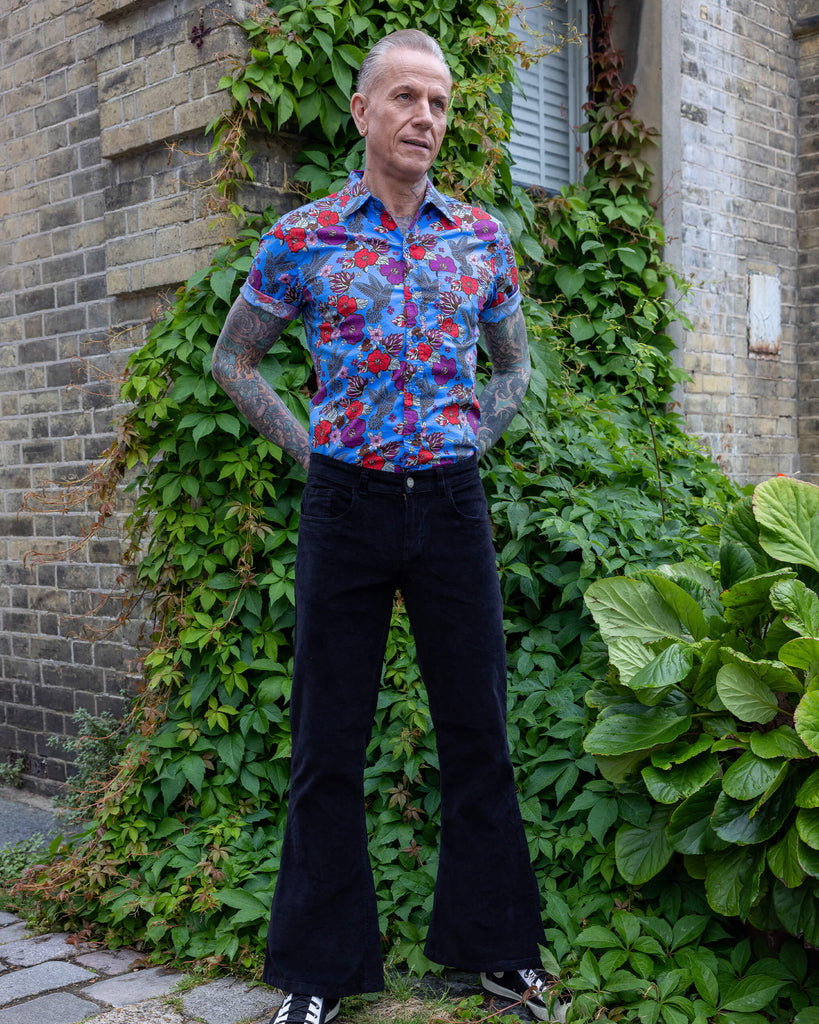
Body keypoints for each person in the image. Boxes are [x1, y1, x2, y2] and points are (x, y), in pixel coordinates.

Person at [212, 28, 567, 1024]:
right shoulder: (306, 237)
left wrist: (468, 443)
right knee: (327, 740)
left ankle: (496, 955)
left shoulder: (482, 237)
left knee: (479, 732)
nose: (424, 117)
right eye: (405, 97)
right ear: (363, 112)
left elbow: (513, 368)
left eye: (440, 103)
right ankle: (318, 976)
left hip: (450, 504)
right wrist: (313, 450)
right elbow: (234, 361)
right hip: (347, 505)